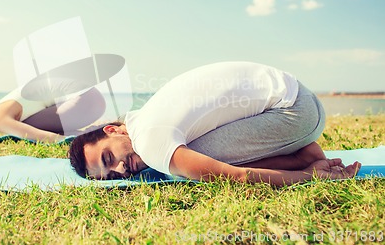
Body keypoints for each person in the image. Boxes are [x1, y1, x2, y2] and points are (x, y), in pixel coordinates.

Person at [68, 61, 361, 186]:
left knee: (190, 167)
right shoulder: (147, 114)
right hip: (296, 99)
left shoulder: (148, 140)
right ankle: (300, 151)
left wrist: (310, 177)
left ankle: (302, 158)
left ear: (113, 129)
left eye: (109, 157)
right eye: (111, 175)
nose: (121, 169)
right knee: (187, 156)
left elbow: (237, 177)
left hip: (295, 111)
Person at [0, 86, 106, 143]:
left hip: (86, 100)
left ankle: (93, 132)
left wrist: (66, 142)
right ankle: (98, 130)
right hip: (90, 98)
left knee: (27, 129)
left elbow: (39, 136)